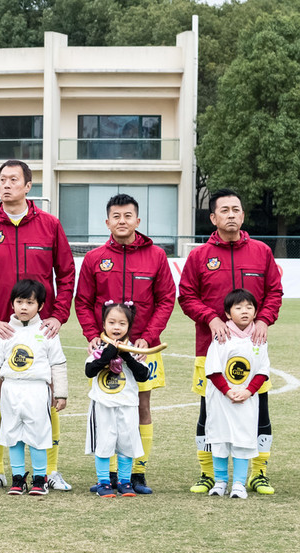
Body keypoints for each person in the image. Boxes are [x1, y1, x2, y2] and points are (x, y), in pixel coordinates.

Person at [0, 160, 76, 492]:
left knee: (47, 397)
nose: (6, 184)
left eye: (14, 179)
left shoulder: (50, 225)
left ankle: (50, 471)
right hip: (2, 332)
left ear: (29, 186)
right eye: (2, 179)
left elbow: (67, 273)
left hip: (42, 333)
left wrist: (58, 315)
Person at [178, 189, 282, 495]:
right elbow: (186, 296)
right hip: (209, 351)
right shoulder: (199, 256)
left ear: (243, 215)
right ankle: (208, 473)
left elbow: (275, 293)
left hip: (252, 351)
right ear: (213, 218)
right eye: (224, 210)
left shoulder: (261, 252)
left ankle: (258, 472)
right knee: (208, 411)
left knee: (259, 409)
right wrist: (210, 318)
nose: (231, 215)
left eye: (236, 209)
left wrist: (264, 319)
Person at [74, 193, 176, 494]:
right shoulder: (94, 258)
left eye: (128, 215)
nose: (122, 221)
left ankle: (137, 473)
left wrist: (148, 335)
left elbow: (166, 299)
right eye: (116, 216)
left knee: (141, 407)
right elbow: (83, 301)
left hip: (143, 349)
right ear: (107, 222)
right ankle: (108, 474)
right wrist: (93, 334)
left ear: (138, 220)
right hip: (106, 348)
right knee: (106, 406)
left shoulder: (156, 256)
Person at [0, 279, 68, 496]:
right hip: (11, 390)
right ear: (12, 304)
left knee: (38, 436)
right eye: (19, 302)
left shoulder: (47, 332)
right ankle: (18, 479)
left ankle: (40, 479)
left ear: (40, 305)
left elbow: (58, 363)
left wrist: (61, 394)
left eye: (30, 302)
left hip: (37, 390)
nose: (24, 307)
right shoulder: (4, 332)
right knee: (13, 435)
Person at [204, 289, 270, 499]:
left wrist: (249, 391)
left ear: (255, 312)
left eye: (249, 307)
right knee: (220, 439)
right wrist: (228, 390)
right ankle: (221, 482)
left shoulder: (259, 338)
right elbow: (213, 369)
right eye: (238, 308)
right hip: (222, 399)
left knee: (243, 440)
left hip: (246, 400)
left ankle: (239, 484)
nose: (244, 311)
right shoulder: (221, 336)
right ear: (227, 313)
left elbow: (262, 371)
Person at [84, 302, 151, 498]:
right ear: (103, 324)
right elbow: (90, 371)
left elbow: (142, 375)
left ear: (129, 326)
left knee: (127, 443)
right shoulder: (98, 348)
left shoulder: (134, 349)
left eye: (122, 323)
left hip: (128, 404)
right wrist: (108, 354)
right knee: (104, 443)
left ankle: (124, 481)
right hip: (103, 404)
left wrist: (127, 356)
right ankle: (104, 482)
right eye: (111, 322)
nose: (116, 327)